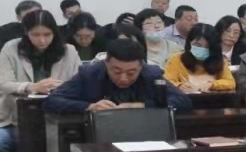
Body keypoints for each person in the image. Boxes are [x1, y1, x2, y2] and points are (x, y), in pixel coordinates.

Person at [0, 11, 82, 152]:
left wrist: (61, 88)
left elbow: (80, 82)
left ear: (55, 32)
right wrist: (31, 87)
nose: (42, 40)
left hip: (57, 118)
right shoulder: (11, 48)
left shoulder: (69, 51)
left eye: (47, 34)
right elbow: (4, 83)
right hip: (15, 118)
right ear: (26, 33)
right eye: (35, 35)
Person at [44, 38, 192, 113]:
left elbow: (183, 101)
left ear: (141, 67)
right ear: (106, 63)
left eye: (131, 73)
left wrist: (143, 106)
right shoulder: (89, 74)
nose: (123, 78)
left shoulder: (151, 75)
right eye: (116, 71)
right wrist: (89, 106)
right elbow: (52, 101)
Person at [163, 24, 235, 93]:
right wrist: (179, 86)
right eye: (197, 45)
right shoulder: (176, 59)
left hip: (213, 99)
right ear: (189, 43)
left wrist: (212, 84)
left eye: (207, 46)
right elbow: (167, 81)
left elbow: (230, 83)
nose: (202, 49)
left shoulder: (219, 60)